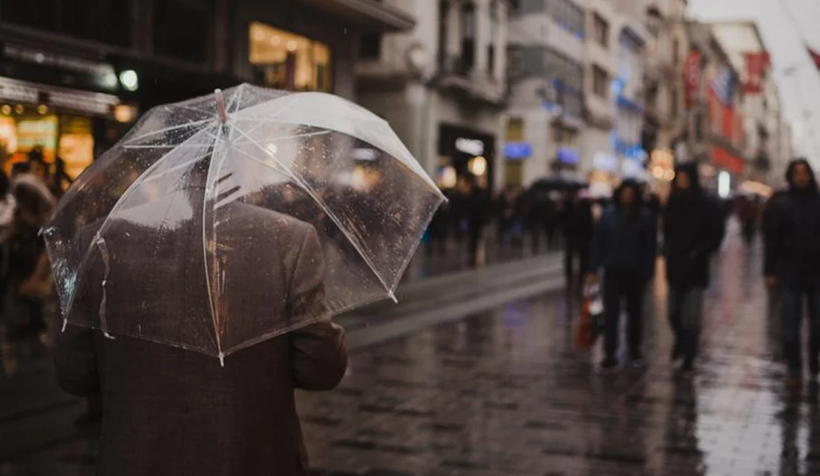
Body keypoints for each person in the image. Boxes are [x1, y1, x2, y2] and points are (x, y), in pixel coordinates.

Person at [54, 159, 348, 476]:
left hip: (136, 459)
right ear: (237, 164)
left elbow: (74, 373)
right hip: (252, 458)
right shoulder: (289, 239)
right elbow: (320, 370)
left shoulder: (99, 241)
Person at [587, 179, 655, 372]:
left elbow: (649, 247)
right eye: (624, 192)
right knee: (611, 314)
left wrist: (647, 271)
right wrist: (592, 269)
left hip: (635, 271)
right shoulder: (608, 216)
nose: (627, 196)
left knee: (635, 313)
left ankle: (634, 351)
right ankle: (610, 353)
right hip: (613, 270)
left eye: (630, 192)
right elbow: (598, 243)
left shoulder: (644, 217)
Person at [664, 163, 725, 375]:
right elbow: (667, 230)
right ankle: (680, 341)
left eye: (685, 177)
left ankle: (689, 356)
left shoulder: (705, 204)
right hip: (675, 266)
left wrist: (701, 251)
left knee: (691, 317)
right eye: (678, 177)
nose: (682, 181)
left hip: (695, 267)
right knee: (673, 313)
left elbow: (716, 232)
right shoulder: (672, 201)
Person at [763, 159, 820, 385]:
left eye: (804, 172)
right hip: (789, 272)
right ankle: (794, 367)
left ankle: (814, 356)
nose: (801, 176)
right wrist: (770, 271)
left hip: (817, 273)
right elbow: (772, 240)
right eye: (796, 173)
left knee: (817, 325)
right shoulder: (781, 204)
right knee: (790, 324)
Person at [563, 189, 594, 294]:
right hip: (571, 235)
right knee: (569, 257)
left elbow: (589, 221)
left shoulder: (585, 205)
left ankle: (581, 278)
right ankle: (570, 277)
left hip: (582, 236)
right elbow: (564, 218)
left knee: (583, 259)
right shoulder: (567, 204)